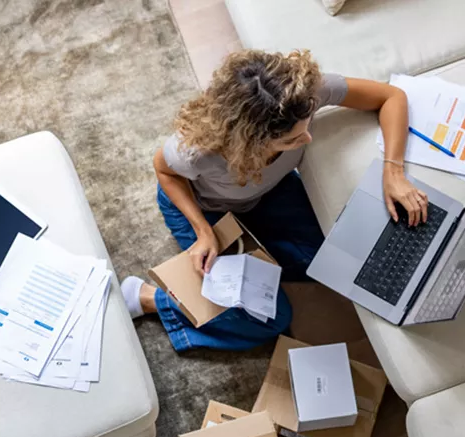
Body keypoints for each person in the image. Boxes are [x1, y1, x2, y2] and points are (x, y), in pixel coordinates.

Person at [121, 49, 428, 352]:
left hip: (270, 193)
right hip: (206, 206)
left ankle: (259, 265)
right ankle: (152, 298)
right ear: (248, 142)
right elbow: (165, 172)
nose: (306, 139)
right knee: (270, 318)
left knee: (337, 259)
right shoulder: (196, 151)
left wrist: (394, 172)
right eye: (291, 140)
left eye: (305, 128)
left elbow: (391, 97)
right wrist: (203, 231)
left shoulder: (302, 95)